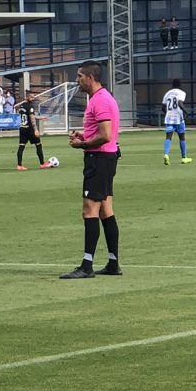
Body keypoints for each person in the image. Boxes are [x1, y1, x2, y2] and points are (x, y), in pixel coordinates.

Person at [60, 62, 122, 279]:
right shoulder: (102, 98)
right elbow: (103, 133)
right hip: (105, 157)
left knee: (90, 210)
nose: (77, 80)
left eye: (79, 76)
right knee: (106, 210)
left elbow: (105, 135)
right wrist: (84, 137)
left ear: (90, 77)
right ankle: (113, 263)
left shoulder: (101, 100)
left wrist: (83, 145)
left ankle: (87, 265)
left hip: (99, 159)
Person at [15, 90, 51, 170]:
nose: (33, 99)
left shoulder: (21, 106)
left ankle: (19, 165)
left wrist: (40, 118)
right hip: (30, 129)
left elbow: (29, 116)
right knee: (38, 145)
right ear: (27, 97)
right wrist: (36, 129)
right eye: (31, 97)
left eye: (34, 97)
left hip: (22, 128)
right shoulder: (30, 107)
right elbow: (31, 119)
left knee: (21, 146)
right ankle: (42, 164)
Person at [161, 79, 192, 166]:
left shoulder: (167, 93)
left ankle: (166, 155)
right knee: (182, 137)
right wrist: (185, 111)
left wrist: (168, 113)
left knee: (168, 137)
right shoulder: (182, 93)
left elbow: (163, 107)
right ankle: (184, 157)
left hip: (169, 118)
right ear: (180, 85)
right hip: (178, 118)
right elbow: (179, 102)